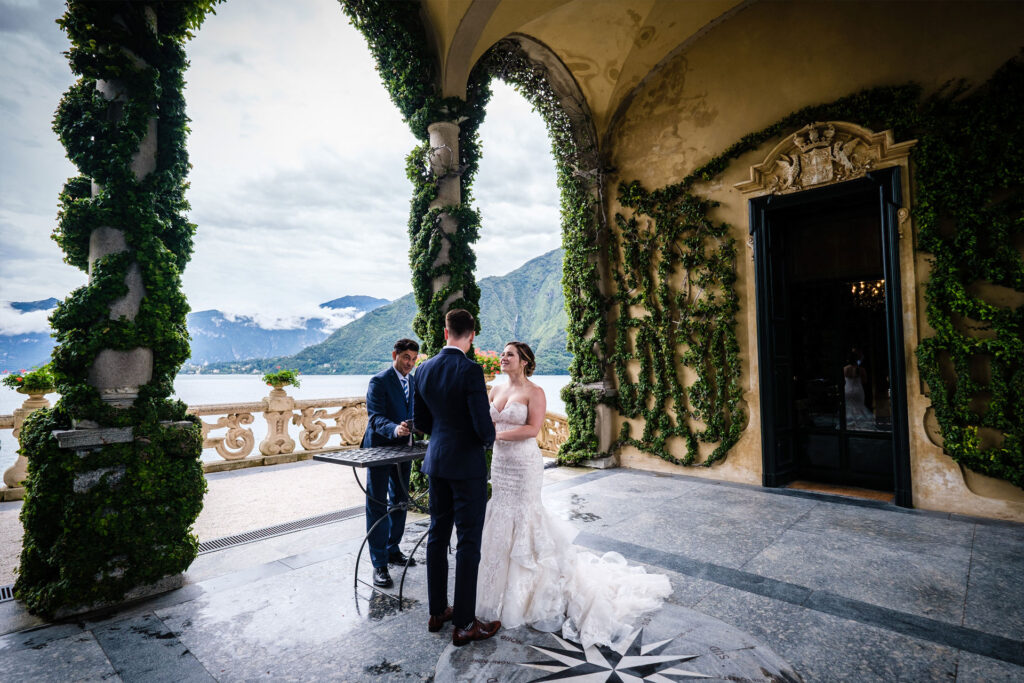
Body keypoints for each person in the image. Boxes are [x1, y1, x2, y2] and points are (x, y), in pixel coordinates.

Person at [477, 341, 671, 649]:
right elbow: (483, 421)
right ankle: (495, 588)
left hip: (524, 465)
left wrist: (494, 435)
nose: (503, 358)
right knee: (500, 515)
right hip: (501, 465)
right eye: (502, 353)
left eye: (509, 354)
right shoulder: (494, 390)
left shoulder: (535, 392)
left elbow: (532, 429)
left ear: (525, 361)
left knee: (526, 517)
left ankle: (530, 591)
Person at [413, 309, 500, 647]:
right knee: (468, 542)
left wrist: (444, 438)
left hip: (436, 463)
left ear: (446, 332)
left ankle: (437, 612)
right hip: (466, 467)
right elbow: (482, 424)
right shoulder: (470, 370)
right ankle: (464, 623)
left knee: (437, 535)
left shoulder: (423, 369)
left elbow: (420, 421)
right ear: (472, 335)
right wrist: (486, 440)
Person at [361, 338, 420, 589]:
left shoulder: (414, 381)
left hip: (404, 450)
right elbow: (375, 418)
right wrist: (395, 429)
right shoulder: (379, 381)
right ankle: (379, 564)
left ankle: (393, 548)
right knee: (377, 503)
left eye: (414, 360)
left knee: (401, 500)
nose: (409, 364)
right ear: (394, 355)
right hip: (379, 449)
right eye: (406, 358)